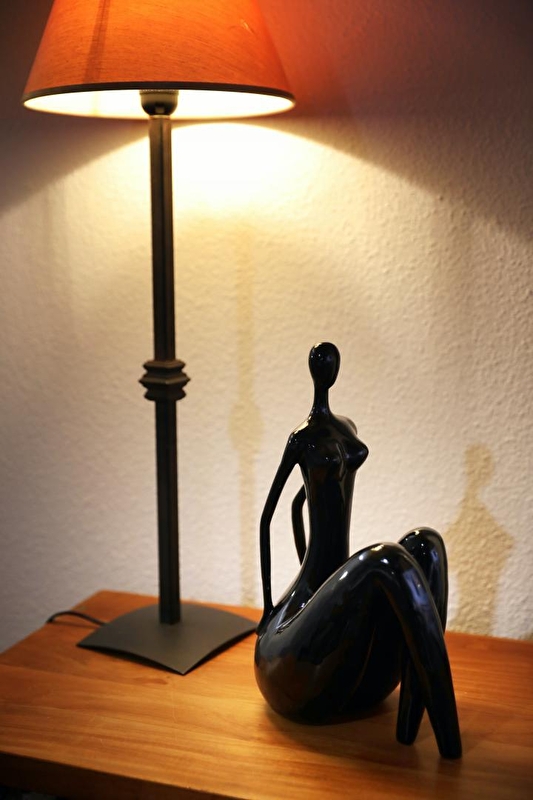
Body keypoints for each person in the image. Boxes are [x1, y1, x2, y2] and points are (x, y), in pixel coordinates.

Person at [255, 343, 461, 759]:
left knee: (427, 545)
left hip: (352, 659)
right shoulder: (301, 438)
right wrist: (267, 609)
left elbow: (299, 504)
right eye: (322, 364)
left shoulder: (346, 426)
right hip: (292, 663)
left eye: (332, 363)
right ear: (315, 370)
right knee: (385, 559)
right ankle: (450, 744)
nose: (327, 369)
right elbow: (269, 516)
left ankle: (411, 719)